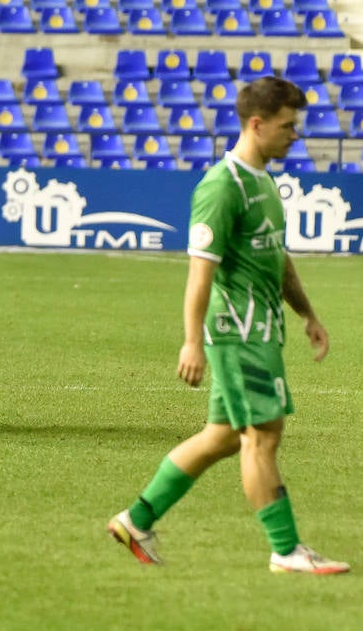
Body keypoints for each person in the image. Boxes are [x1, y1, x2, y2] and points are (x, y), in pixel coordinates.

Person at [107, 75, 348, 575]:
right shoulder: (222, 186)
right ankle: (286, 551)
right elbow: (200, 272)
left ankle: (136, 519)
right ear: (256, 124)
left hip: (262, 330)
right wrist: (192, 341)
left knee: (222, 436)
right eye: (286, 126)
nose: (294, 135)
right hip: (236, 332)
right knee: (263, 435)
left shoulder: (262, 181)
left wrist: (308, 314)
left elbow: (277, 259)